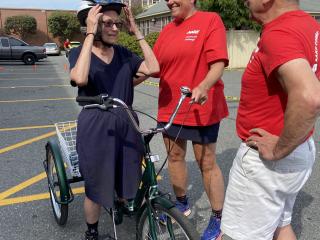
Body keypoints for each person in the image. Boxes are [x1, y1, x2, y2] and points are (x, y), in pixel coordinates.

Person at [221, 0, 320, 239]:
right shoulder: (309, 25)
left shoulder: (279, 33)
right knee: (281, 225)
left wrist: (278, 149)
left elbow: (310, 96)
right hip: (299, 149)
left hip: (269, 160)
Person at [69, 1, 159, 239]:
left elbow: (153, 67)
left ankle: (121, 203)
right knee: (96, 185)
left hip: (126, 121)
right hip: (96, 125)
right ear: (93, 26)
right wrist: (89, 34)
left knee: (126, 174)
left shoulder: (122, 53)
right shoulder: (80, 52)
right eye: (107, 23)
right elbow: (79, 77)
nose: (114, 28)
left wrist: (136, 30)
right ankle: (92, 232)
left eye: (116, 23)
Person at [152, 0, 229, 239]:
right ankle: (182, 204)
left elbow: (217, 63)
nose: (169, 1)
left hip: (200, 105)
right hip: (170, 107)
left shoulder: (210, 20)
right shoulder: (166, 30)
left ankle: (218, 218)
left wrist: (204, 85)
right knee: (174, 157)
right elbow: (152, 67)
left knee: (205, 162)